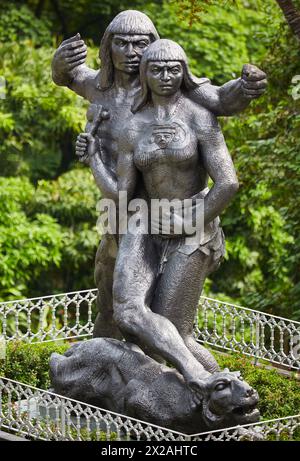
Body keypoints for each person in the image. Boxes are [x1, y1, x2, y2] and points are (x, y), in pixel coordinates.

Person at [54, 10, 267, 341]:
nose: (131, 52)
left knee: (161, 314)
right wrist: (59, 65)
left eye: (140, 43)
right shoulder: (99, 87)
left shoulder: (165, 82)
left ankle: (180, 378)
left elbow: (221, 100)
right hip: (120, 205)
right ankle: (104, 373)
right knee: (112, 301)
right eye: (121, 43)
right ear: (108, 47)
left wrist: (245, 87)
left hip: (175, 213)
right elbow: (68, 76)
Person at [77, 39, 240, 397]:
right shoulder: (133, 126)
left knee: (174, 333)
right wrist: (93, 159)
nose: (166, 76)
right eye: (157, 69)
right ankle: (193, 394)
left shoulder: (199, 116)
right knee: (134, 318)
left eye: (174, 68)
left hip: (195, 226)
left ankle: (230, 396)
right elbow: (120, 194)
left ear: (184, 71)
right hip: (147, 222)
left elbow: (227, 182)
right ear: (144, 74)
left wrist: (191, 222)